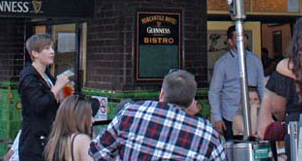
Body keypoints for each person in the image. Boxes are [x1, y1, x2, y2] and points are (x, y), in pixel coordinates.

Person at [89, 69, 225, 161]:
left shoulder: (130, 113)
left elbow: (97, 151)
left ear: (162, 94)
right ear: (191, 101)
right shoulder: (208, 134)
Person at [18, 33, 70, 161]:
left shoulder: (47, 76)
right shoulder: (28, 77)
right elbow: (39, 105)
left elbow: (52, 103)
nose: (52, 52)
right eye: (47, 48)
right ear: (34, 53)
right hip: (34, 143)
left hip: (49, 138)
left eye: (52, 48)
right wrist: (57, 87)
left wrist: (62, 94)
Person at [208, 25, 265, 139]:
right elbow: (214, 92)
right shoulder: (222, 63)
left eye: (244, 36)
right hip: (231, 116)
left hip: (253, 115)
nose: (242, 40)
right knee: (234, 148)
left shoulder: (255, 60)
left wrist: (265, 111)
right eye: (237, 37)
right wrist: (217, 118)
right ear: (230, 41)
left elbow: (261, 88)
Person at [43, 95, 92, 161]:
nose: (92, 120)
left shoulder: (53, 143)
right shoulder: (82, 140)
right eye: (89, 116)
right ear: (80, 118)